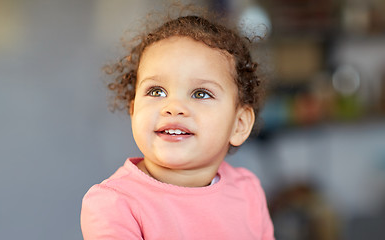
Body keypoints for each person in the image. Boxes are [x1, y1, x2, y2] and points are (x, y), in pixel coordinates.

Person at [80, 11, 274, 240]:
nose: (173, 107)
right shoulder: (114, 205)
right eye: (156, 91)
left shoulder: (247, 191)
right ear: (133, 110)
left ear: (239, 124)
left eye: (200, 93)